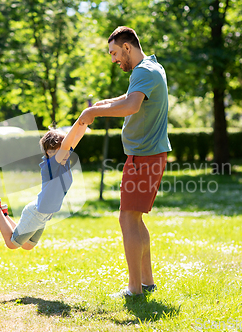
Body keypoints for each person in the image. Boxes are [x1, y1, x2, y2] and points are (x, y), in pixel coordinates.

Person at [79, 26, 172, 298]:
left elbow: (132, 106)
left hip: (144, 156)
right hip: (149, 155)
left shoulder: (143, 71)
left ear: (127, 47)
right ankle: (146, 282)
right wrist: (106, 102)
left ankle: (134, 289)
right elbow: (131, 98)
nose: (113, 59)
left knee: (127, 219)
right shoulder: (152, 67)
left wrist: (94, 111)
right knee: (135, 219)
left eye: (115, 53)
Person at [0, 119, 88, 250]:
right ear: (48, 152)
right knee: (11, 244)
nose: (67, 152)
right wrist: (79, 120)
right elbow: (67, 144)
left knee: (27, 245)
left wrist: (86, 119)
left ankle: (3, 215)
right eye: (61, 150)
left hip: (44, 214)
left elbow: (77, 136)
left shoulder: (63, 161)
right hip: (37, 213)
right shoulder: (52, 165)